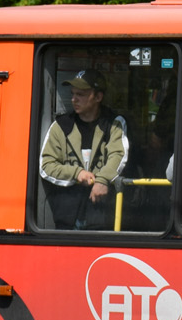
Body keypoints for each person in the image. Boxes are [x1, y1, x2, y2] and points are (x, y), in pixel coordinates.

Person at [38, 68, 128, 229]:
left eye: (80, 94)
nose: (73, 99)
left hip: (102, 215)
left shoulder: (114, 123)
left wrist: (102, 180)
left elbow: (118, 155)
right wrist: (77, 173)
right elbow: (46, 166)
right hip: (66, 217)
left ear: (98, 97)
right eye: (72, 94)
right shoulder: (61, 126)